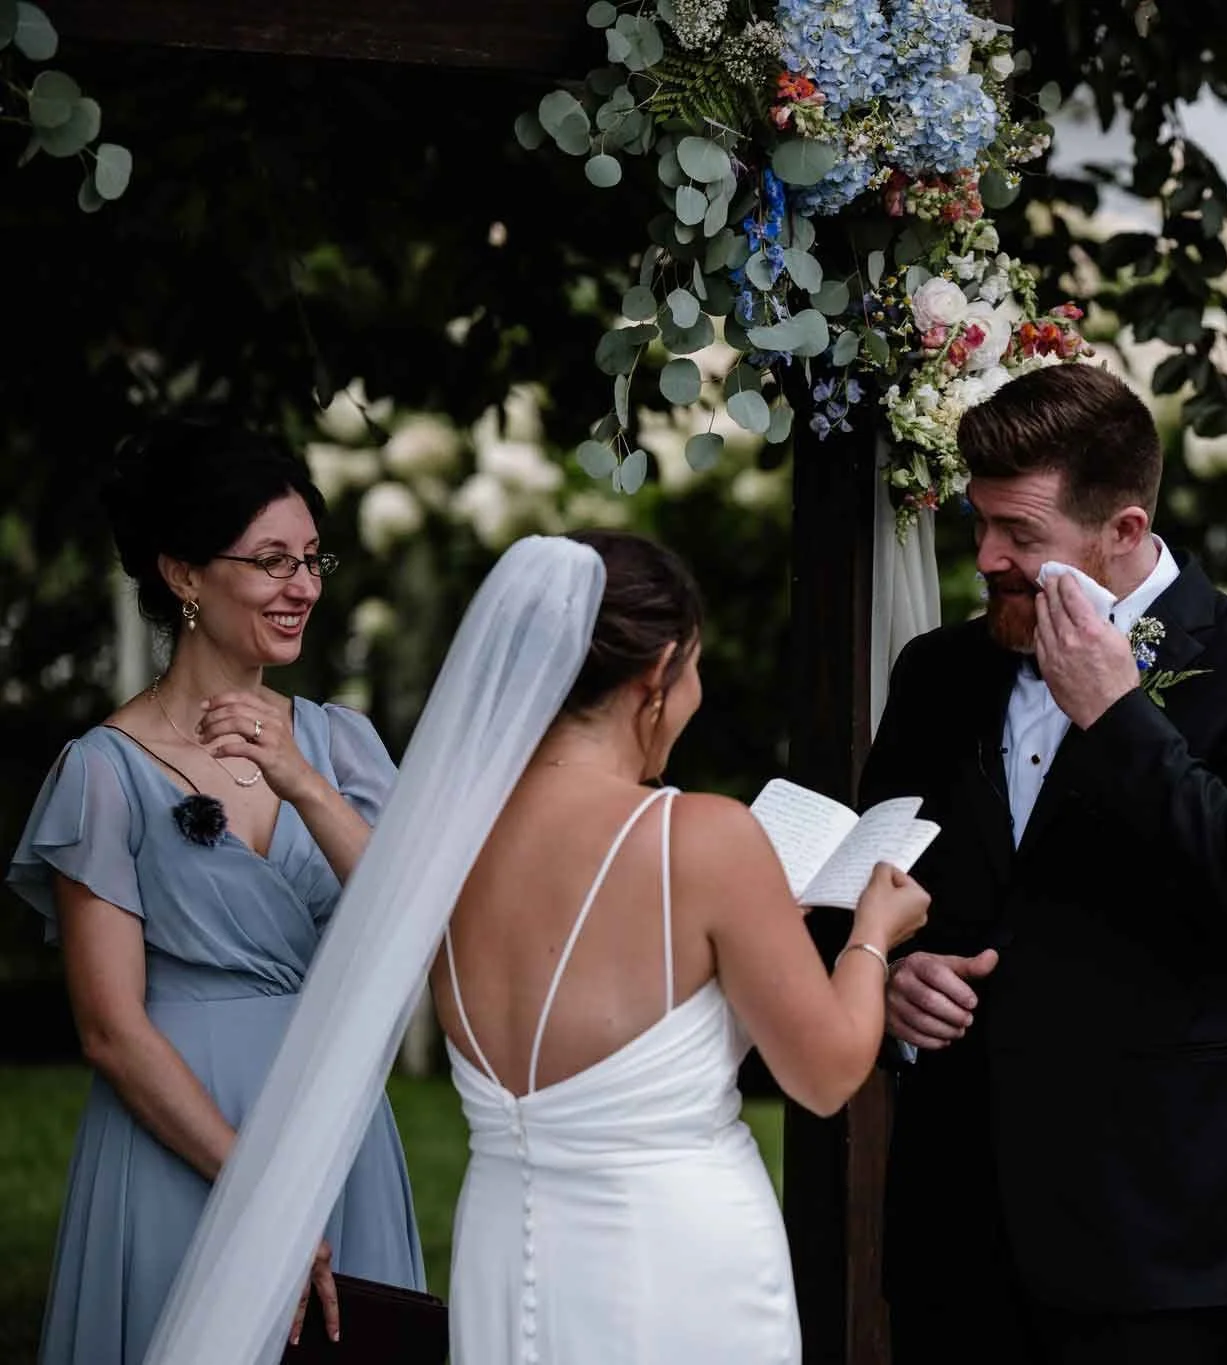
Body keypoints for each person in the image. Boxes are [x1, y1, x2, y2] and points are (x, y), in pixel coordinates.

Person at [862, 363, 1227, 1365]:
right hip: (953, 1215)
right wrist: (887, 975)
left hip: (1154, 1229)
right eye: (979, 522)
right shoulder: (937, 674)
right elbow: (861, 881)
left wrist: (1119, 719)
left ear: (1122, 531)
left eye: (1021, 536)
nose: (987, 556)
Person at [430, 529, 929, 1364]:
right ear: (657, 672)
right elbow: (828, 1071)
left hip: (498, 1246)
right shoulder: (700, 837)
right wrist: (873, 933)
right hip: (667, 1262)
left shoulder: (446, 835)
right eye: (694, 668)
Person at [5, 421, 425, 1365]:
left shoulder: (340, 746)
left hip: (332, 1127)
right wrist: (258, 1200)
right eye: (272, 560)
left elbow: (416, 927)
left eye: (314, 558)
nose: (304, 585)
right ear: (184, 574)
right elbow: (109, 1028)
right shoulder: (106, 772)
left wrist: (304, 782)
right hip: (184, 1142)